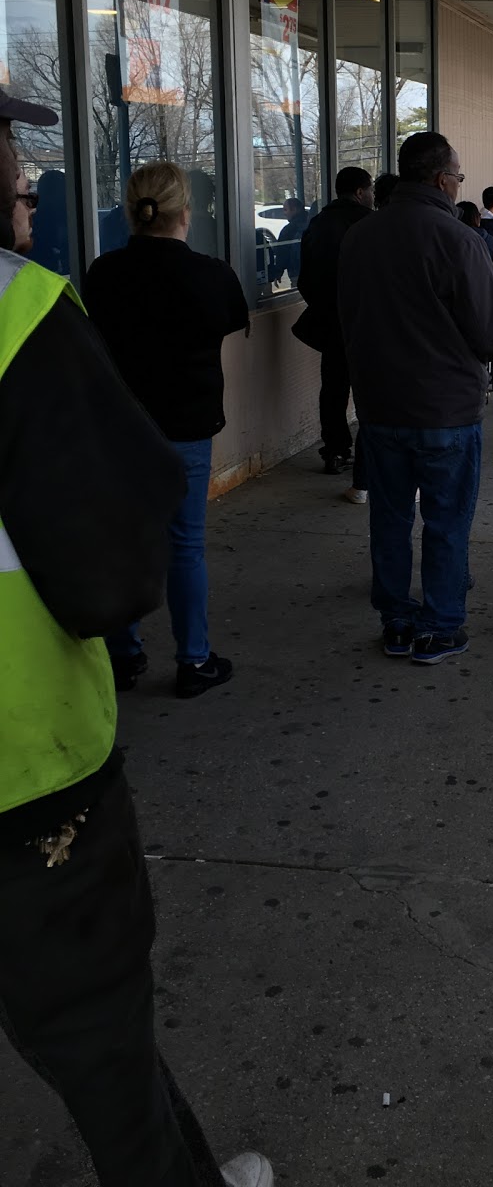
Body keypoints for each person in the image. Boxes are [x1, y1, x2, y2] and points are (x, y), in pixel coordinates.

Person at [0, 92, 271, 1187]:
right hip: (27, 766)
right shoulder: (21, 311)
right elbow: (111, 560)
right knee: (101, 1042)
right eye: (11, 158)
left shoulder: (100, 283)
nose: (25, 176)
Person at [339, 132, 493, 665]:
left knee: (389, 520)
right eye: (458, 176)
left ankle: (395, 619)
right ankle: (439, 624)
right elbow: (490, 332)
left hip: (379, 408)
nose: (459, 183)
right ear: (441, 179)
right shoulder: (458, 240)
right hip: (445, 411)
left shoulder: (360, 237)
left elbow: (346, 318)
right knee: (446, 521)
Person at [84, 161, 250, 697]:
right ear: (185, 213)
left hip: (121, 429)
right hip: (186, 426)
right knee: (185, 546)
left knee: (125, 541)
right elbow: (228, 322)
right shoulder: (210, 274)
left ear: (131, 212)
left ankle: (122, 655)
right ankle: (193, 660)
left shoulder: (103, 273)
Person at [296, 165, 374, 497]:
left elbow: (305, 279)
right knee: (371, 391)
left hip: (329, 321)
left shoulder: (317, 224)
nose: (372, 194)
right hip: (365, 321)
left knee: (333, 388)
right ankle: (368, 461)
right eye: (369, 188)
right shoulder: (368, 225)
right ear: (359, 192)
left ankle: (336, 450)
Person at [268, 195, 308, 288]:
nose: (284, 213)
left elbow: (282, 252)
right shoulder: (313, 223)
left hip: (296, 271)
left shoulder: (289, 230)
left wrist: (278, 272)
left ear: (294, 209)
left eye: (285, 210)